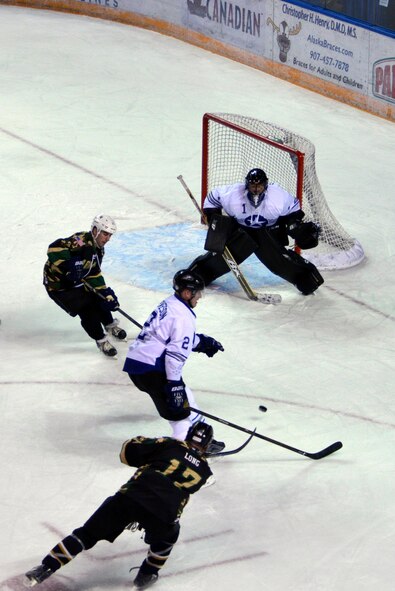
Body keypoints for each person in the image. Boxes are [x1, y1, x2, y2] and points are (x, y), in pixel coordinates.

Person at [24, 421, 214, 590]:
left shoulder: (170, 444)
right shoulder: (205, 472)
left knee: (86, 534)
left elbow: (128, 452)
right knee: (168, 536)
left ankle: (46, 567)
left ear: (188, 435)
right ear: (207, 446)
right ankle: (146, 575)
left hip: (131, 498)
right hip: (163, 512)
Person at [123, 269, 225, 451]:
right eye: (198, 292)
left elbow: (171, 337)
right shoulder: (183, 316)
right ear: (187, 293)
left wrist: (203, 342)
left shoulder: (170, 304)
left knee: (185, 402)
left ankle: (200, 439)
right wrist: (174, 384)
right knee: (179, 413)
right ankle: (183, 453)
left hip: (139, 365)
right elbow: (174, 355)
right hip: (152, 369)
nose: (200, 296)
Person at [187, 168, 324, 296]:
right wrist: (212, 216)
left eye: (260, 186)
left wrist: (295, 226)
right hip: (240, 230)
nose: (257, 189)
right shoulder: (233, 194)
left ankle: (307, 279)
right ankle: (195, 277)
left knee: (278, 261)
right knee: (224, 258)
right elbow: (213, 197)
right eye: (253, 186)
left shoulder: (278, 196)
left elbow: (294, 208)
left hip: (267, 231)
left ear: (266, 185)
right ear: (247, 185)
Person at [43, 214, 126, 357]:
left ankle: (109, 325)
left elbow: (93, 273)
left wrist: (104, 292)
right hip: (59, 287)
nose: (108, 239)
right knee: (87, 310)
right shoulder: (81, 241)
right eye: (105, 234)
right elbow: (54, 248)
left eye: (110, 235)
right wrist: (68, 266)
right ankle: (101, 340)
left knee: (100, 299)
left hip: (77, 282)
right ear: (95, 230)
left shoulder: (99, 249)